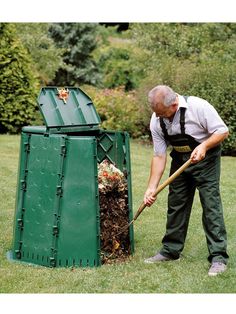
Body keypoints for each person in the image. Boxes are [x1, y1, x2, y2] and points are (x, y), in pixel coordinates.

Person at [144, 85, 229, 276]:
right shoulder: (157, 118)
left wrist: (205, 146)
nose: (159, 118)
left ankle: (218, 257)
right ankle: (170, 251)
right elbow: (159, 156)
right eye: (157, 114)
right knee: (176, 204)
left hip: (206, 160)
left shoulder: (198, 107)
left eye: (163, 114)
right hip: (180, 160)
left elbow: (222, 131)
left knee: (210, 205)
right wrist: (151, 187)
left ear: (174, 105)